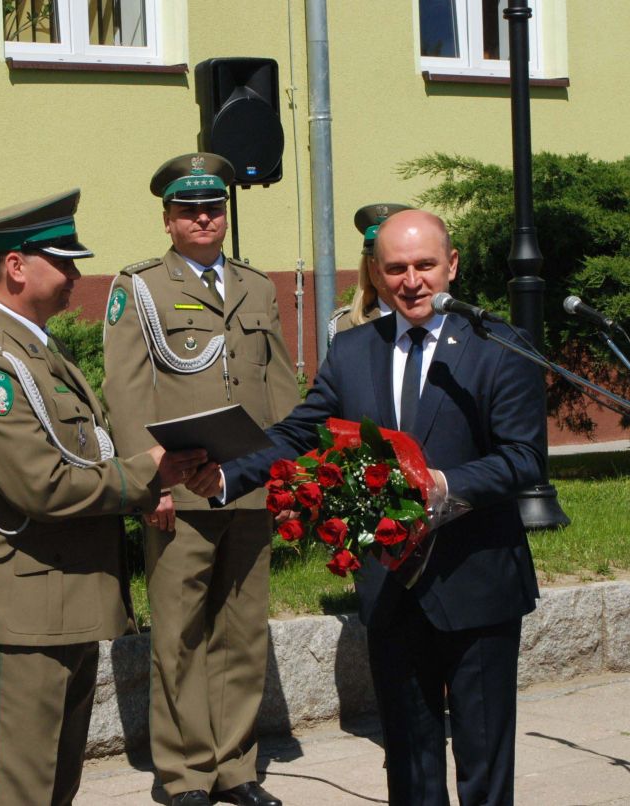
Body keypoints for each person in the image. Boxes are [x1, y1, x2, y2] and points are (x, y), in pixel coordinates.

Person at [189, 209, 545, 805]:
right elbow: (301, 431)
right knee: (409, 761)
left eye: (426, 265)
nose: (412, 281)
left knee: (484, 762)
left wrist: (443, 483)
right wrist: (227, 473)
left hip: (476, 580)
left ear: (452, 266)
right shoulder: (354, 350)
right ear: (377, 275)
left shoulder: (498, 346)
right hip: (393, 586)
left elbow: (523, 458)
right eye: (397, 268)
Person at [0, 189, 205, 806]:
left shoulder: (38, 351)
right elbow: (41, 486)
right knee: (20, 792)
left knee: (56, 787)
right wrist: (146, 475)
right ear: (16, 267)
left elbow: (82, 456)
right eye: (62, 262)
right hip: (22, 611)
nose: (75, 276)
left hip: (61, 601)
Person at [101, 154, 299, 806]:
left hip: (249, 485)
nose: (204, 218)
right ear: (168, 219)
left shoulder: (257, 286)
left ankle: (236, 767)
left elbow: (279, 385)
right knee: (180, 635)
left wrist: (289, 475)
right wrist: (149, 484)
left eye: (213, 207)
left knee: (243, 631)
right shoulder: (140, 287)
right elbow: (126, 393)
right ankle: (187, 774)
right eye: (189, 210)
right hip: (181, 491)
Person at [327, 202, 411, 343]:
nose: (379, 268)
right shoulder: (345, 326)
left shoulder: (439, 320)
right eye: (373, 259)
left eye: (393, 262)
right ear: (367, 265)